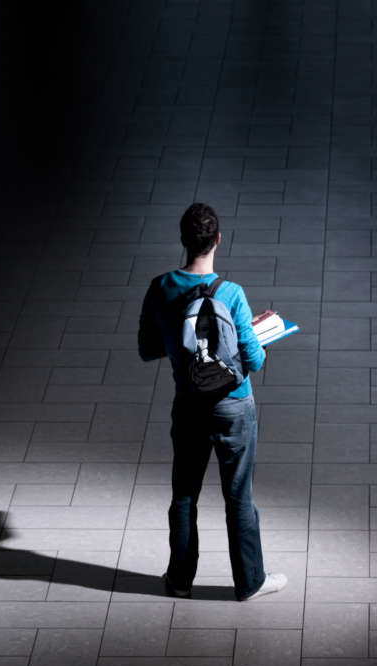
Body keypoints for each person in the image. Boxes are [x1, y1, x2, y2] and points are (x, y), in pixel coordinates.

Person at [137, 202, 287, 601]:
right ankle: (249, 582)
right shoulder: (233, 294)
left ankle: (180, 580)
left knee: (184, 495)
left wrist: (184, 343)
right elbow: (253, 360)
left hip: (188, 404)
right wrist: (250, 337)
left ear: (184, 241)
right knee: (239, 496)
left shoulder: (161, 287)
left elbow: (148, 349)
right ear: (218, 240)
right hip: (234, 406)